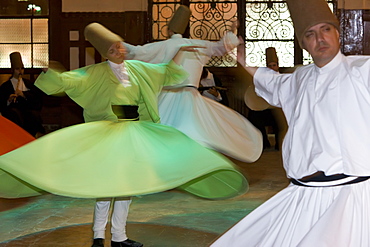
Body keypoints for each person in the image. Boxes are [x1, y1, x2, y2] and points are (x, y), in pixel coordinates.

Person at [0, 23, 249, 247]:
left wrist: (183, 56)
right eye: (112, 50)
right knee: (106, 186)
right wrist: (52, 76)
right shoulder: (95, 73)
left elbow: (165, 72)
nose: (119, 51)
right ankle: (99, 235)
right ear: (105, 54)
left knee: (126, 186)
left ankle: (119, 236)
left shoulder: (139, 69)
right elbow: (70, 80)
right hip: (108, 134)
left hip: (133, 132)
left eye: (119, 46)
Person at [211, 0, 370, 246]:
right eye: (310, 34)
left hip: (351, 195)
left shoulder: (362, 70)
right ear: (303, 44)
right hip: (303, 194)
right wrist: (242, 59)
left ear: (338, 34)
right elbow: (271, 82)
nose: (320, 38)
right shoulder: (299, 78)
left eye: (325, 30)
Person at [124, 5, 262, 163]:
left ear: (169, 31)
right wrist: (231, 33)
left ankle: (170, 167)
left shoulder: (165, 45)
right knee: (196, 132)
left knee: (162, 133)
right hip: (191, 97)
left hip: (167, 97)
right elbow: (221, 47)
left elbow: (138, 52)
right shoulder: (199, 45)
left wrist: (117, 46)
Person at [246, 47, 286, 150]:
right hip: (264, 109)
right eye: (269, 66)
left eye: (274, 65)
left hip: (278, 109)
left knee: (280, 115)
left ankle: (279, 143)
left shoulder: (283, 78)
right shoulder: (261, 79)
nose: (272, 68)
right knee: (254, 115)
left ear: (278, 66)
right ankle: (264, 142)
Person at [0, 52, 45, 137]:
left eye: (22, 68)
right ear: (13, 70)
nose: (20, 71)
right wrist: (8, 100)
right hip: (14, 111)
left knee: (33, 116)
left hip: (28, 110)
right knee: (14, 114)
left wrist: (24, 94)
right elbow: (2, 103)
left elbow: (37, 99)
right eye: (17, 69)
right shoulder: (5, 86)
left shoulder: (29, 84)